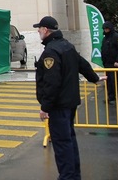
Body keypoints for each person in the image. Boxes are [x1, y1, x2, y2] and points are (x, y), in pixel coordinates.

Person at [34, 15, 104, 180]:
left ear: (46, 30)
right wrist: (94, 78)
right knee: (69, 141)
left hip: (59, 105)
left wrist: (45, 107)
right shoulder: (67, 46)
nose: (38, 31)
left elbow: (52, 83)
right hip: (69, 103)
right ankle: (73, 175)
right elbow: (83, 64)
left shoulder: (51, 51)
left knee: (62, 143)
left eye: (39, 29)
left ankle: (67, 176)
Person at [101, 21, 118, 103]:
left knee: (115, 81)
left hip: (114, 64)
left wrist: (117, 61)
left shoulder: (116, 37)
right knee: (109, 81)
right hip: (107, 63)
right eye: (104, 29)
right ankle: (111, 97)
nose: (105, 30)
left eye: (107, 28)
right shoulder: (105, 38)